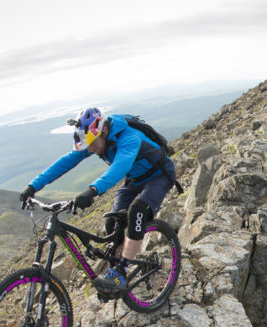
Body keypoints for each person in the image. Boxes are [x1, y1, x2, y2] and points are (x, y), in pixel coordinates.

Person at [19, 107, 176, 296]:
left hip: (159, 176)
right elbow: (66, 161)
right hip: (136, 179)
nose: (91, 149)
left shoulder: (129, 137)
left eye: (93, 144)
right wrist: (33, 186)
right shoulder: (96, 140)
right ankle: (115, 270)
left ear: (105, 131)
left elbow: (120, 166)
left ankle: (121, 272)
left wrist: (93, 190)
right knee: (112, 222)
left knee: (138, 211)